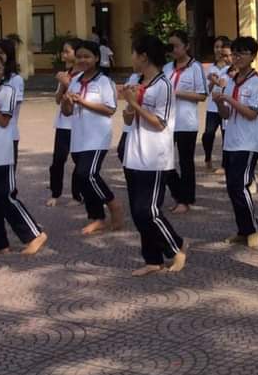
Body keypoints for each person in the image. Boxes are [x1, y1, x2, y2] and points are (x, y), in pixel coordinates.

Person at [118, 35, 187, 276]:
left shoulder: (163, 85)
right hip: (134, 153)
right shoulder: (135, 81)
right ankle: (152, 260)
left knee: (149, 210)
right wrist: (130, 105)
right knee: (138, 213)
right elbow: (128, 119)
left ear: (144, 56)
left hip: (155, 156)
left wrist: (135, 103)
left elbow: (160, 123)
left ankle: (176, 247)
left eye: (134, 53)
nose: (132, 58)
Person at [0, 50, 47, 258]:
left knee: (5, 195)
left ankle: (34, 234)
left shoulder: (8, 91)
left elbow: (4, 121)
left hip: (2, 151)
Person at [63, 41, 123, 235]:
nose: (82, 60)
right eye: (79, 56)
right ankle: (97, 217)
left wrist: (83, 102)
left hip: (97, 136)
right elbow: (67, 112)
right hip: (78, 137)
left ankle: (113, 205)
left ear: (97, 58)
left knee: (87, 174)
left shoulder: (104, 82)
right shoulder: (74, 80)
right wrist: (66, 102)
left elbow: (110, 109)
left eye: (87, 56)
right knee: (83, 179)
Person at [212, 36, 258, 248]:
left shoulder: (257, 82)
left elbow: (252, 113)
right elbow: (226, 114)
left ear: (252, 56)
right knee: (232, 188)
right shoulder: (231, 81)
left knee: (240, 186)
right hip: (231, 141)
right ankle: (243, 230)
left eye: (242, 53)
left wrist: (229, 99)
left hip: (248, 142)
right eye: (234, 54)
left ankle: (252, 229)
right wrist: (219, 102)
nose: (237, 57)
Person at [163, 30, 208, 213]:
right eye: (170, 46)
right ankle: (178, 193)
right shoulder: (167, 68)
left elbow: (202, 95)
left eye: (176, 46)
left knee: (185, 162)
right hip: (166, 121)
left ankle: (186, 199)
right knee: (163, 159)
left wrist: (177, 93)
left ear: (186, 46)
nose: (173, 49)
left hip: (186, 122)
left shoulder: (195, 67)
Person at [47, 38, 82, 206]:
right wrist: (62, 84)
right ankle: (55, 193)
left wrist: (67, 82)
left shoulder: (84, 75)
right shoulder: (66, 73)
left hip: (79, 123)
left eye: (67, 51)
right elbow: (57, 99)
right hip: (63, 124)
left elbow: (80, 96)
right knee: (58, 160)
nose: (63, 55)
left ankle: (77, 195)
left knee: (79, 161)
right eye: (63, 51)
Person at [0, 37, 24, 167]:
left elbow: (10, 109)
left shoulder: (15, 80)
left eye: (0, 53)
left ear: (9, 55)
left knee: (7, 177)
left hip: (8, 136)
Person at [202, 36, 232, 173]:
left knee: (226, 135)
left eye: (221, 47)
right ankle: (207, 158)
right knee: (208, 134)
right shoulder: (210, 68)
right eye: (216, 47)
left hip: (227, 106)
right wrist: (212, 82)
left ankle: (225, 165)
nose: (218, 50)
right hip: (212, 108)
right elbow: (205, 91)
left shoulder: (232, 69)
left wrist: (220, 83)